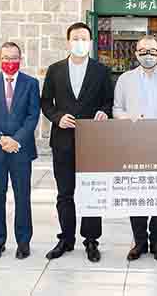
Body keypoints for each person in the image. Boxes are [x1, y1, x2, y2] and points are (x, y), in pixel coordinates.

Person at [41, 22, 114, 263]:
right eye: (75, 38)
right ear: (68, 42)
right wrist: (57, 118)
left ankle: (91, 240)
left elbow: (109, 101)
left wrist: (104, 112)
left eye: (84, 39)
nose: (79, 43)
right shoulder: (55, 70)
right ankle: (66, 238)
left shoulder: (101, 71)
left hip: (92, 141)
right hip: (63, 140)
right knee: (65, 193)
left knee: (92, 192)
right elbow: (46, 102)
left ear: (90, 43)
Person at [113, 35, 157, 263]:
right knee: (136, 193)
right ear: (136, 54)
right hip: (135, 142)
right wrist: (129, 118)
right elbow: (117, 109)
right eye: (143, 51)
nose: (148, 55)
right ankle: (139, 241)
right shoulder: (125, 79)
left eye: (152, 51)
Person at [0, 42, 41, 261]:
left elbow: (33, 116)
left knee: (23, 197)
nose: (10, 62)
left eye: (14, 58)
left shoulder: (31, 83)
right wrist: (0, 138)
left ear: (20, 59)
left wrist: (16, 140)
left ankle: (23, 242)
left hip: (21, 150)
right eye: (5, 58)